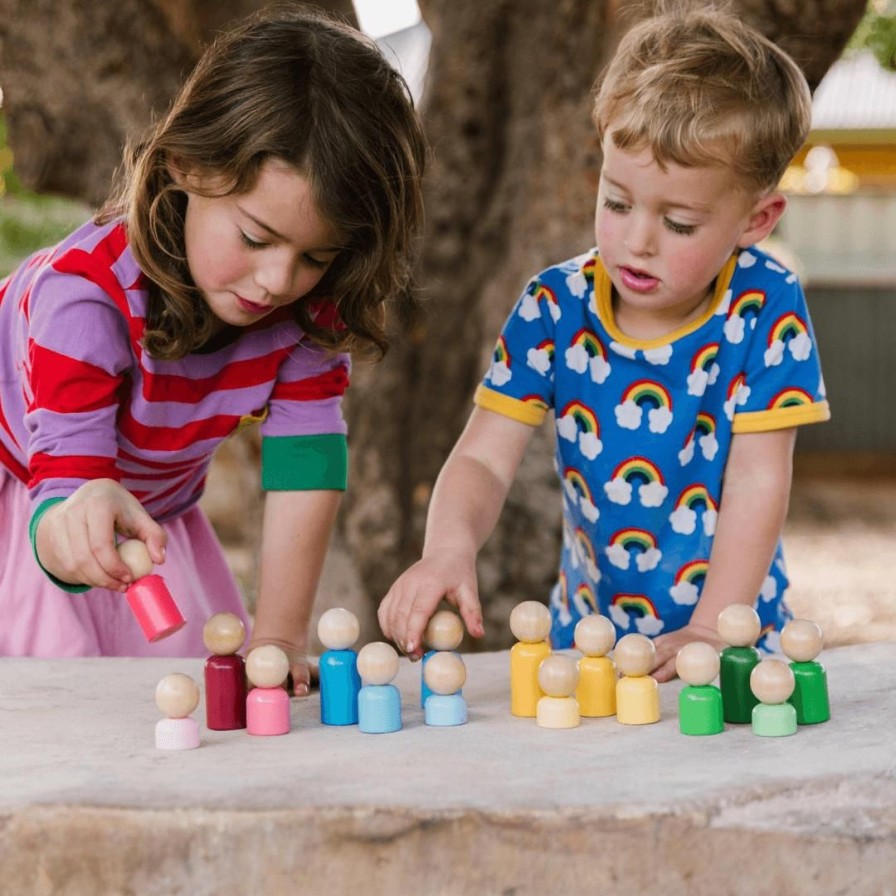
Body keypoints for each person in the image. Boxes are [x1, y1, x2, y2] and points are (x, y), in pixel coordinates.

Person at [378, 6, 830, 681]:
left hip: (734, 645)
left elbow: (759, 478)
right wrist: (447, 549)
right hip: (587, 646)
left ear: (755, 220)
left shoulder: (765, 307)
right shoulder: (554, 309)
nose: (637, 240)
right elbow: (483, 460)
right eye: (617, 202)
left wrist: (711, 626)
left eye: (678, 223)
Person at [0, 5, 426, 694]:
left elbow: (305, 466)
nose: (277, 280)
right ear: (186, 167)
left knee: (197, 698)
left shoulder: (306, 312)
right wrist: (71, 534)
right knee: (60, 713)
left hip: (152, 512)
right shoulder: (82, 302)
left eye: (316, 255)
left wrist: (280, 639)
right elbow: (65, 496)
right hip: (31, 501)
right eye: (256, 238)